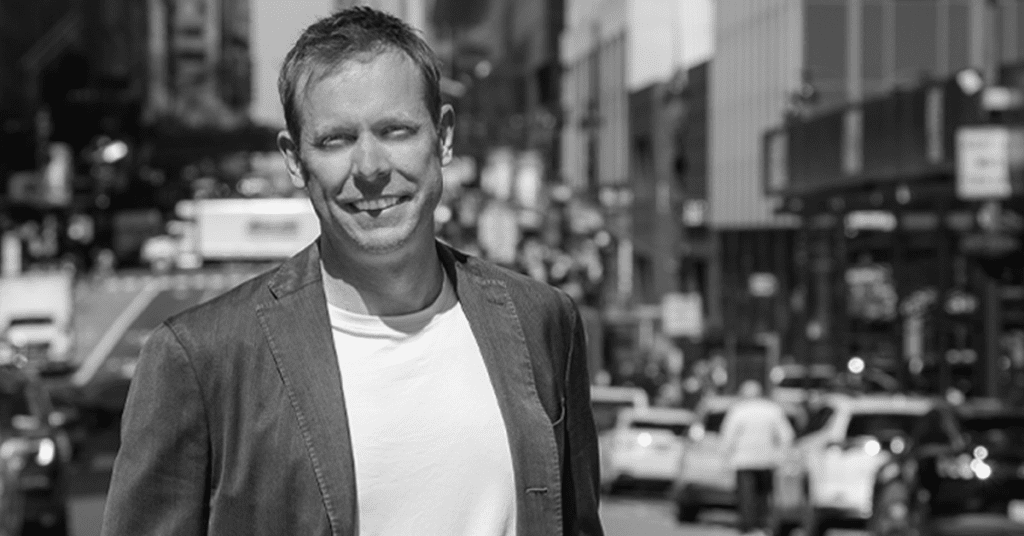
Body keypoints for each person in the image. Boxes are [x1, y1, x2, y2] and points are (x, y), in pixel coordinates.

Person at [101, 7, 603, 536]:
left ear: (444, 137)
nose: (369, 168)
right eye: (335, 140)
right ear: (296, 159)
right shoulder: (202, 360)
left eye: (396, 130)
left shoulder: (541, 323)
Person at [719, 380, 795, 536]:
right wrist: (781, 455)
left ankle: (748, 527)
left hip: (743, 461)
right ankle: (763, 525)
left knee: (746, 496)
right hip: (767, 461)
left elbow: (727, 437)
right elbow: (787, 435)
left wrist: (725, 457)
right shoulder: (772, 410)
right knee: (764, 495)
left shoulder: (738, 410)